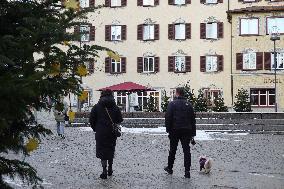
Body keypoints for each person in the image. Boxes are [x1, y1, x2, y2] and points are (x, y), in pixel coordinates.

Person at [89, 89, 123, 179]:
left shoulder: (96, 107)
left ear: (102, 95)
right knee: (110, 150)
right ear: (111, 95)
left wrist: (96, 128)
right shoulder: (115, 107)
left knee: (102, 151)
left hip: (101, 132)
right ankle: (110, 169)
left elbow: (91, 120)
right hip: (112, 132)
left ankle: (104, 171)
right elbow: (119, 120)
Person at [164, 87, 196, 178]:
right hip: (187, 130)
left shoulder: (172, 104)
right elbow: (193, 120)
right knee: (186, 151)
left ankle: (170, 168)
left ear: (177, 93)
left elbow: (168, 118)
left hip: (174, 130)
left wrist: (168, 130)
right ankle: (187, 171)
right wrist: (193, 134)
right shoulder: (189, 105)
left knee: (173, 150)